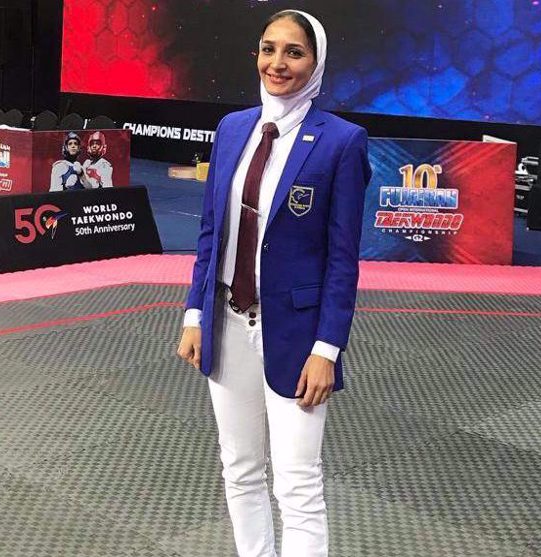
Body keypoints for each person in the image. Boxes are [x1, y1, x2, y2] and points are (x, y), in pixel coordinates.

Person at [175, 9, 371, 557]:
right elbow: (212, 233)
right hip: (227, 324)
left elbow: (341, 261)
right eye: (268, 49)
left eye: (293, 52)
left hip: (299, 337)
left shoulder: (342, 143)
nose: (277, 64)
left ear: (316, 63)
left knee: (298, 486)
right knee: (239, 470)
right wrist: (196, 314)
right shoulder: (233, 128)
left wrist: (327, 349)